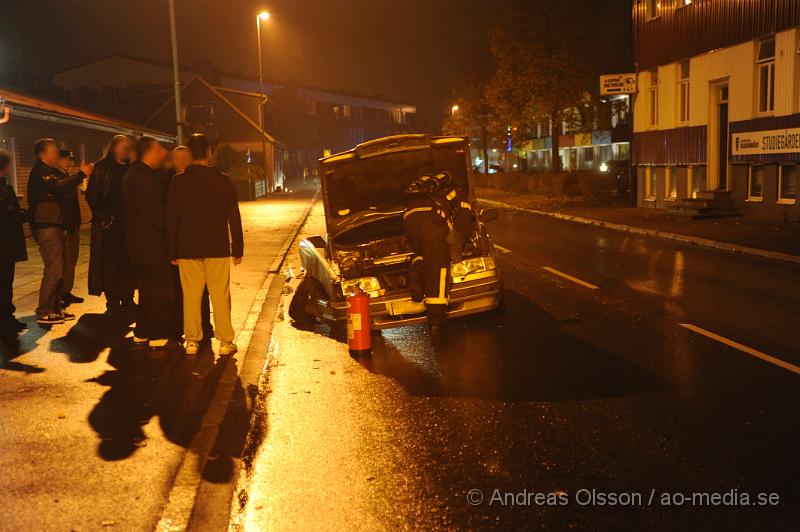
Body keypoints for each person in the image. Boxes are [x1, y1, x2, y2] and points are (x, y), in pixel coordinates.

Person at [166, 134, 243, 355]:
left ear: (189, 153)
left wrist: (172, 250)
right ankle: (226, 342)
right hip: (217, 247)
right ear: (209, 152)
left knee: (190, 296)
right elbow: (233, 216)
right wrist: (237, 247)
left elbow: (172, 219)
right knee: (220, 295)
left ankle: (191, 340)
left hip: (188, 248)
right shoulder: (223, 181)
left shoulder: (178, 182)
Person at [27, 139, 92, 325]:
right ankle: (44, 311)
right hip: (46, 226)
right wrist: (81, 175)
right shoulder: (40, 172)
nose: (58, 154)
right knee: (54, 269)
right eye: (54, 151)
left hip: (55, 225)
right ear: (43, 154)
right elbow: (58, 187)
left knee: (59, 268)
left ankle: (55, 309)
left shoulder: (49, 172)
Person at [123, 136, 179, 349]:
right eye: (159, 150)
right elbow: (154, 213)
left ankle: (143, 330)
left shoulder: (135, 175)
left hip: (141, 246)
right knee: (159, 291)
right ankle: (157, 333)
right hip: (152, 246)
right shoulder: (143, 178)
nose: (163, 154)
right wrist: (174, 220)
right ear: (149, 152)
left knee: (147, 292)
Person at [86, 135, 135, 314]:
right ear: (114, 148)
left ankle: (128, 298)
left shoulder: (132, 168)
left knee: (128, 262)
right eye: (123, 147)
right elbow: (92, 195)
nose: (126, 150)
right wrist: (102, 216)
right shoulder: (103, 168)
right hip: (110, 223)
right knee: (111, 263)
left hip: (129, 223)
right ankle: (113, 300)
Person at [402, 174, 454, 329]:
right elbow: (453, 226)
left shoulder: (411, 202)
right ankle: (437, 321)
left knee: (420, 255)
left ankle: (416, 274)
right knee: (439, 271)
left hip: (411, 223)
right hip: (432, 226)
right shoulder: (441, 198)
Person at [0, 150, 28, 333]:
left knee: (6, 283)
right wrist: (19, 215)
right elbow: (6, 215)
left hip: (7, 244)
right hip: (3, 244)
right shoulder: (2, 188)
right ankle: (5, 321)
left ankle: (7, 317)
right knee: (3, 283)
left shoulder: (4, 185)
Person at [55, 149, 85, 306]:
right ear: (59, 160)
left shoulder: (67, 178)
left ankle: (66, 291)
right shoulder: (58, 179)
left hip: (73, 223)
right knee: (64, 261)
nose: (70, 162)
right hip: (65, 225)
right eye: (67, 159)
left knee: (71, 260)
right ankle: (60, 293)